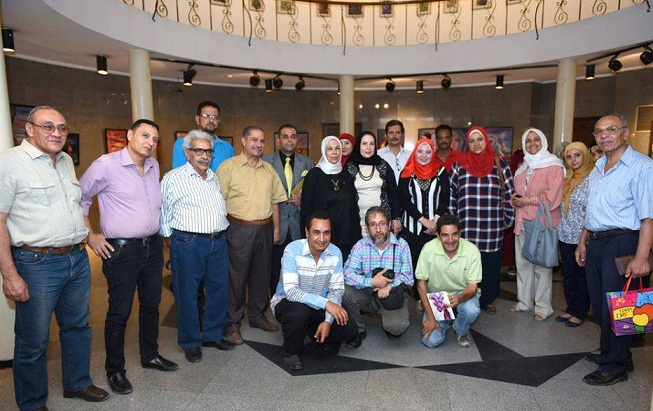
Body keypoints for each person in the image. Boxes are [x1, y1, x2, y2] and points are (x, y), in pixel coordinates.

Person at [0, 106, 109, 410]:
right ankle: (32, 403)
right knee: (33, 340)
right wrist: (10, 275)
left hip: (76, 259)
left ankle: (77, 383)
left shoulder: (64, 161)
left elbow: (74, 207)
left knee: (78, 327)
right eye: (48, 127)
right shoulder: (9, 163)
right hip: (37, 264)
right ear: (29, 129)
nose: (57, 133)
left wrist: (88, 235)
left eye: (62, 128)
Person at [80, 119, 178, 396]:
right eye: (145, 135)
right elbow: (79, 198)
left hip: (152, 247)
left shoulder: (153, 165)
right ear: (130, 135)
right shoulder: (105, 165)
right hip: (121, 251)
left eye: (155, 139)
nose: (150, 142)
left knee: (151, 305)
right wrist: (90, 235)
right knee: (119, 312)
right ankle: (115, 370)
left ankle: (150, 355)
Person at [575, 114, 653, 386]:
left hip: (622, 242)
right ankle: (616, 353)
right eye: (598, 132)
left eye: (611, 129)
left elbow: (648, 217)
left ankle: (615, 365)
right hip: (597, 242)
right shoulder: (599, 166)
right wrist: (583, 240)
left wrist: (642, 257)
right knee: (600, 304)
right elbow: (593, 209)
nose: (604, 135)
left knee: (620, 306)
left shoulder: (642, 166)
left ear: (625, 132)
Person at [161, 130, 234, 364]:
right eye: (199, 151)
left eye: (208, 152)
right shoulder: (173, 178)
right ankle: (190, 342)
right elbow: (164, 213)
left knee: (218, 290)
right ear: (188, 153)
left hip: (218, 241)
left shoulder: (213, 177)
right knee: (187, 293)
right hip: (188, 243)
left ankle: (213, 335)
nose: (205, 156)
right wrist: (172, 242)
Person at [218, 125, 287, 345]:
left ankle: (257, 316)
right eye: (254, 140)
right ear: (243, 141)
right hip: (238, 228)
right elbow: (218, 203)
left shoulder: (269, 170)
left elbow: (275, 202)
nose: (258, 144)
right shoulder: (229, 167)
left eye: (262, 141)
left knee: (261, 275)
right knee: (236, 278)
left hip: (265, 228)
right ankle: (232, 323)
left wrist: (276, 230)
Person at [271, 211, 358, 371]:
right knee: (299, 312)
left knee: (349, 328)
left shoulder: (335, 253)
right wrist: (327, 304)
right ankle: (291, 352)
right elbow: (291, 292)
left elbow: (336, 290)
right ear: (307, 232)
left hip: (318, 305)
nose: (322, 238)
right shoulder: (292, 250)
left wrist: (328, 321)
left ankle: (312, 330)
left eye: (326, 233)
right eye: (316, 232)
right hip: (288, 303)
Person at [449, 127, 514, 315]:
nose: (476, 144)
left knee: (489, 265)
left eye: (480, 139)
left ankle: (487, 300)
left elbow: (509, 194)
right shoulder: (459, 165)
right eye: (472, 141)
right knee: (465, 266)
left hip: (491, 228)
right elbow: (451, 195)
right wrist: (453, 224)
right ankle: (463, 298)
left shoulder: (499, 163)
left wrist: (506, 221)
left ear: (487, 141)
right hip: (466, 227)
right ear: (467, 144)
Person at [510, 127, 565, 321]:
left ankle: (543, 307)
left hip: (542, 224)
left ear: (543, 142)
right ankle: (524, 302)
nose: (532, 143)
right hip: (522, 223)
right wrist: (515, 200)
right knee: (523, 265)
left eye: (536, 140)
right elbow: (518, 194)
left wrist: (528, 200)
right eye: (528, 140)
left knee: (542, 267)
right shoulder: (522, 168)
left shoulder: (554, 165)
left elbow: (553, 197)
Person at [343, 207, 413, 346]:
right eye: (373, 225)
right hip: (368, 291)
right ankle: (358, 328)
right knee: (344, 291)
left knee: (396, 328)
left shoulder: (401, 245)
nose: (378, 229)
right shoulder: (360, 246)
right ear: (367, 228)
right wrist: (372, 282)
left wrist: (389, 286)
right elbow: (346, 274)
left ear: (389, 224)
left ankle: (389, 322)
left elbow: (408, 277)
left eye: (382, 224)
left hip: (392, 294)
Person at [263, 124, 315, 295]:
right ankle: (275, 301)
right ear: (279, 140)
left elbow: (314, 193)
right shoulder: (265, 161)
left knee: (298, 267)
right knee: (273, 268)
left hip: (297, 224)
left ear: (297, 140)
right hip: (275, 224)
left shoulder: (308, 163)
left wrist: (303, 200)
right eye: (285, 136)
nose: (289, 140)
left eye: (293, 136)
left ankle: (297, 299)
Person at [415, 214, 482, 348]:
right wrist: (430, 317)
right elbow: (421, 283)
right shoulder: (428, 249)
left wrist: (460, 298)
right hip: (438, 297)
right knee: (431, 341)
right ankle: (445, 319)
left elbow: (472, 287)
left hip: (462, 293)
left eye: (454, 234)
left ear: (460, 233)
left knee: (471, 310)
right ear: (438, 235)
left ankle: (460, 329)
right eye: (445, 235)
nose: (450, 240)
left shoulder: (472, 250)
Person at [301, 136, 361, 262]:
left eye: (337, 148)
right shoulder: (314, 175)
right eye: (330, 149)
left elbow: (353, 209)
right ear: (324, 151)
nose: (334, 152)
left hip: (345, 237)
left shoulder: (347, 175)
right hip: (321, 239)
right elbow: (306, 209)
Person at [398, 137, 450, 278]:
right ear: (414, 153)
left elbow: (445, 197)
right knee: (415, 265)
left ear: (433, 154)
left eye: (428, 152)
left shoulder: (441, 171)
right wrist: (424, 221)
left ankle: (434, 293)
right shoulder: (406, 173)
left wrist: (435, 222)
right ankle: (417, 292)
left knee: (436, 267)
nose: (424, 155)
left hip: (436, 227)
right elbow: (404, 201)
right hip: (412, 228)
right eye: (420, 151)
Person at [556, 142, 593, 328]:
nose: (573, 160)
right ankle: (571, 308)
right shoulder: (568, 177)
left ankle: (580, 311)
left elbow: (592, 211)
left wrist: (583, 240)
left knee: (581, 276)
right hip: (565, 234)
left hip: (583, 236)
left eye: (577, 155)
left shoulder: (593, 178)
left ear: (585, 155)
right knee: (568, 274)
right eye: (569, 157)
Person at [345, 131, 402, 238]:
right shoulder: (349, 167)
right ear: (358, 145)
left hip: (382, 222)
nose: (368, 147)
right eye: (364, 143)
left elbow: (393, 193)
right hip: (357, 221)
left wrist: (396, 217)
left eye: (371, 144)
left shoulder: (383, 165)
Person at [171, 101, 234, 170]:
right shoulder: (182, 144)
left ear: (219, 120)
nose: (211, 120)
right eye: (206, 116)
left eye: (214, 117)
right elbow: (179, 173)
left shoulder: (227, 147)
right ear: (197, 119)